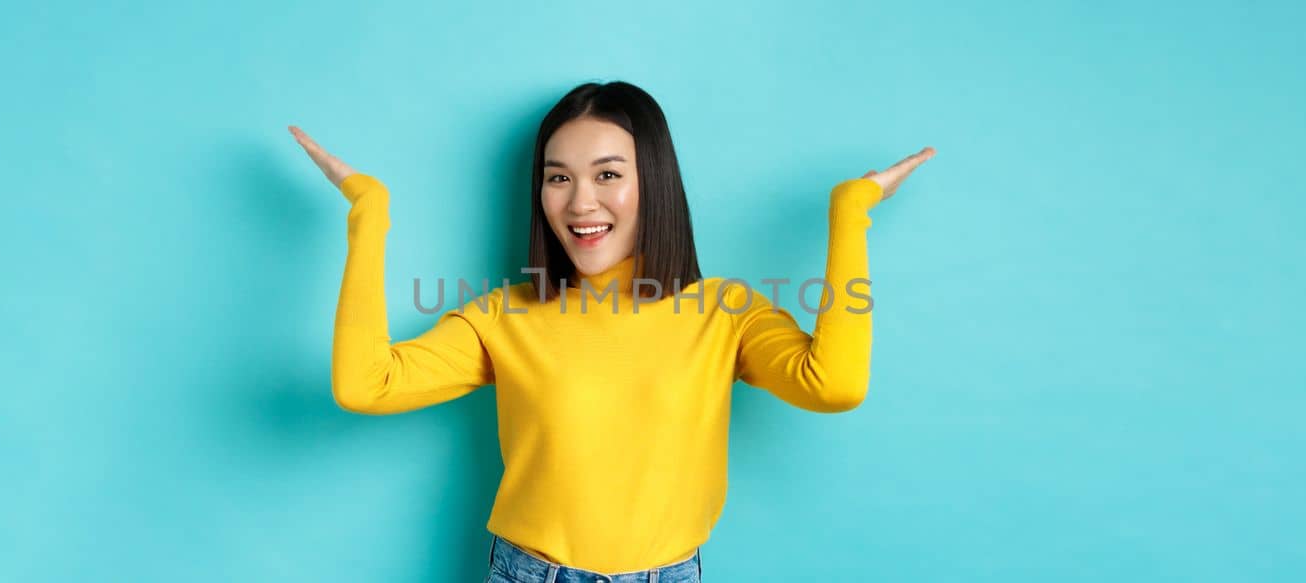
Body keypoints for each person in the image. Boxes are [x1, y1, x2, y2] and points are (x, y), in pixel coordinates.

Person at [290, 80, 933, 582]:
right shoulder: (501, 316)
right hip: (527, 574)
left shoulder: (723, 312)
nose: (580, 203)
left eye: (607, 174)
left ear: (653, 182)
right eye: (558, 177)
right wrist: (368, 213)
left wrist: (850, 214)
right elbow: (364, 385)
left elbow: (835, 385)